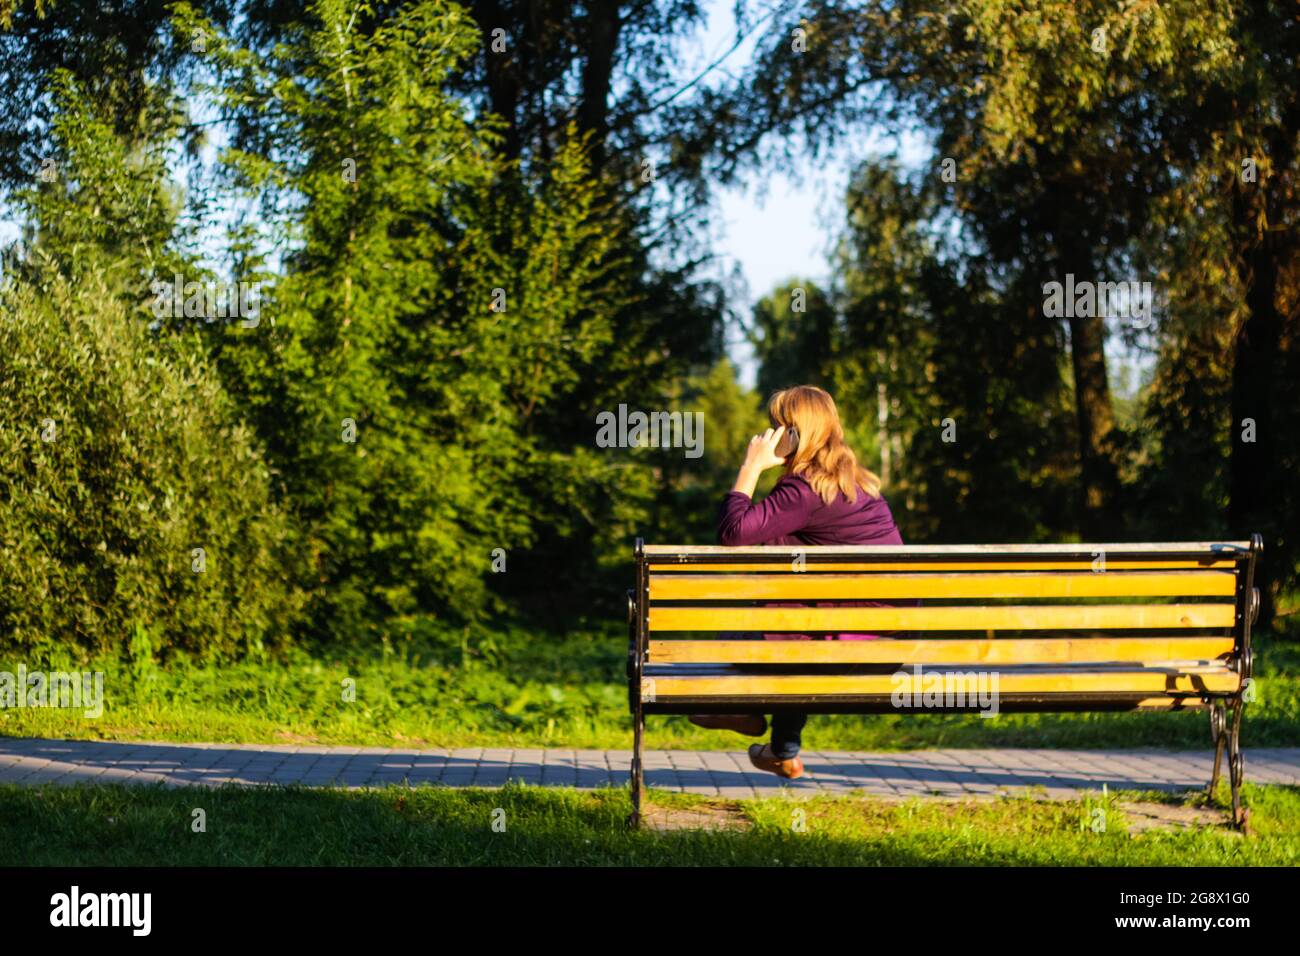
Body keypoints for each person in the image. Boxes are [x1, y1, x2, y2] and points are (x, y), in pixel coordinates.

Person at [690, 385, 906, 779]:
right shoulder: (860, 486)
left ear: (795, 433)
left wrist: (751, 467)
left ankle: (745, 709)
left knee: (743, 637)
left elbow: (732, 533)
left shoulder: (804, 489)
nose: (769, 435)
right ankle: (781, 749)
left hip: (843, 646)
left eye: (777, 426)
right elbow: (773, 539)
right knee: (795, 625)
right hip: (886, 643)